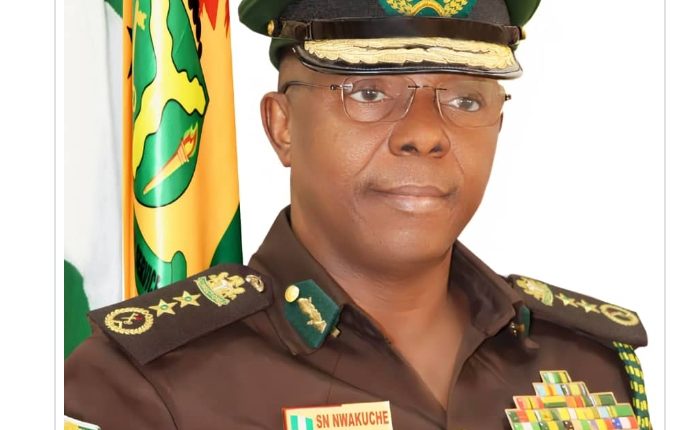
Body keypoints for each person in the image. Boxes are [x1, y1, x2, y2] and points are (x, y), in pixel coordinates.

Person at [65, 0, 653, 429]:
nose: (425, 133)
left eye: (465, 99)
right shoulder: (145, 383)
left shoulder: (589, 364)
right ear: (282, 126)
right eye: (368, 93)